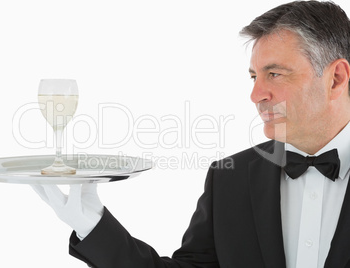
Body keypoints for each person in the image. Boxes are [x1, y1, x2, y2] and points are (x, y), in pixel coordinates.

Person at [32, 1, 350, 267]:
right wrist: (94, 225)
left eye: (275, 74)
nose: (256, 94)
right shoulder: (230, 180)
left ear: (335, 78)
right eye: (253, 76)